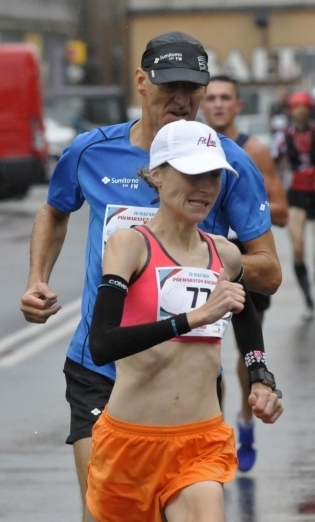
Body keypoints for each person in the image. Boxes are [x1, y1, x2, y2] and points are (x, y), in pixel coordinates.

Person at [19, 31, 282, 522]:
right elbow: (55, 212)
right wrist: (37, 278)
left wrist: (214, 265)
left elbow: (266, 271)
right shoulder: (91, 152)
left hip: (188, 380)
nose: (183, 100)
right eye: (170, 85)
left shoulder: (227, 165)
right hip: (102, 372)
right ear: (141, 81)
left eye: (194, 88)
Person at [87, 119, 283, 521]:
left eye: (213, 175)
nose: (206, 187)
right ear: (156, 175)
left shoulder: (225, 253)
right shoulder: (130, 245)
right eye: (192, 173)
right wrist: (191, 319)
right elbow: (102, 343)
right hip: (131, 442)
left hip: (200, 441)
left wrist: (260, 373)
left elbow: (243, 314)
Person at [200, 74, 287, 472]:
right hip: (206, 263)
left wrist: (247, 214)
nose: (218, 104)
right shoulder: (190, 153)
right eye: (211, 97)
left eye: (226, 98)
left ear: (238, 105)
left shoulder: (253, 152)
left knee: (241, 352)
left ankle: (245, 421)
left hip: (246, 264)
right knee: (206, 355)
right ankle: (211, 432)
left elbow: (280, 209)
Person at [272, 90, 315, 320]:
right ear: (291, 110)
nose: (300, 111)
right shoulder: (282, 137)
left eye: (304, 107)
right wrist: (276, 189)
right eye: (295, 107)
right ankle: (308, 301)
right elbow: (273, 168)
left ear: (309, 110)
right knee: (298, 250)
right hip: (296, 195)